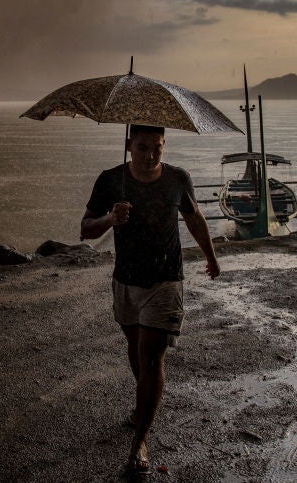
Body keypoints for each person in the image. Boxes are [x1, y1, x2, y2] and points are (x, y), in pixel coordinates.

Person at [80, 124, 221, 476]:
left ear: (164, 146)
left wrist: (211, 256)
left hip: (166, 280)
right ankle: (143, 407)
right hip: (127, 280)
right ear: (130, 144)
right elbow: (85, 229)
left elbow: (194, 219)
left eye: (157, 147)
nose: (150, 155)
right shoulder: (111, 180)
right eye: (142, 147)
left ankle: (140, 440)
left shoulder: (177, 179)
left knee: (152, 353)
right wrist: (111, 218)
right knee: (135, 347)